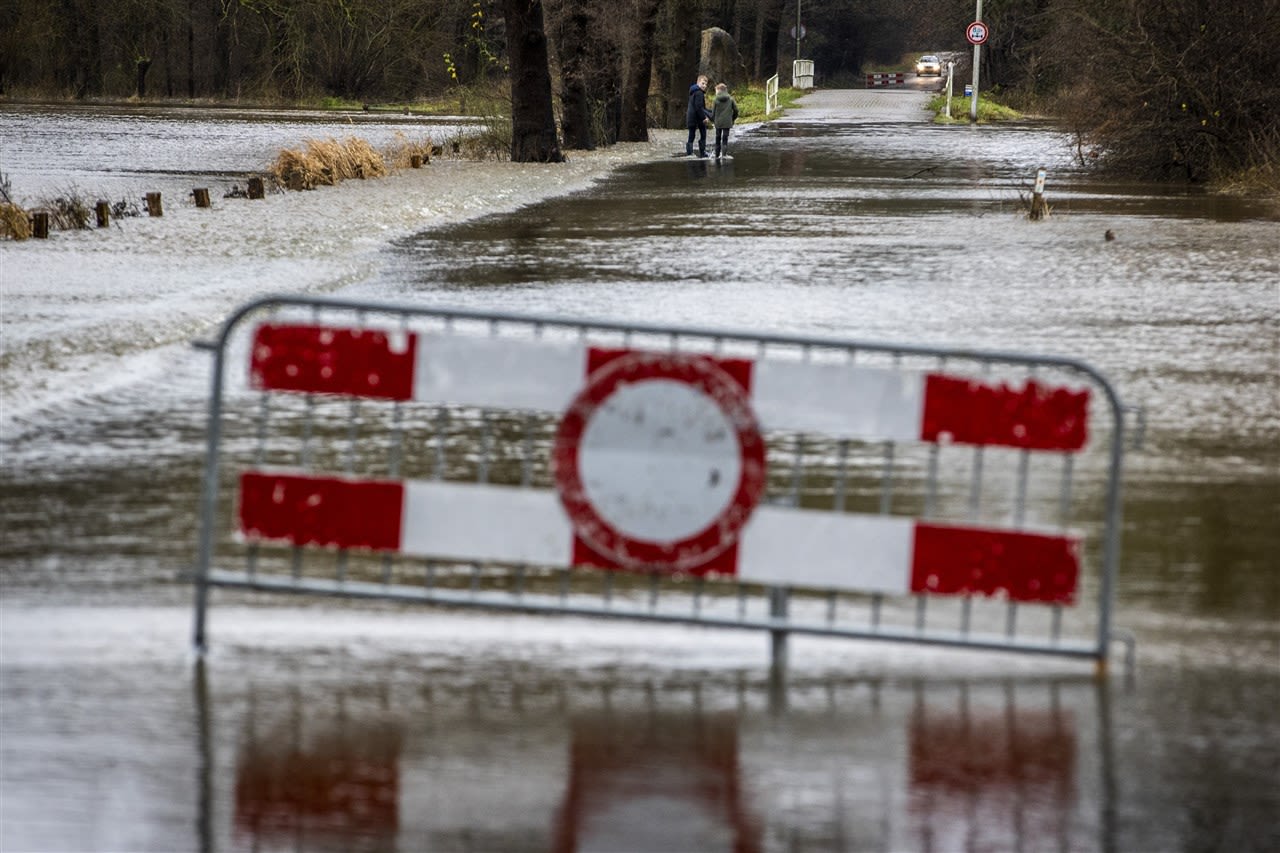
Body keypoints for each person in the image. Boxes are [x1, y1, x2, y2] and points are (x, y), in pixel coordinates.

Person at [710, 82, 739, 159]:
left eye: (716, 90)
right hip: (727, 123)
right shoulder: (731, 99)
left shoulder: (715, 100)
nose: (715, 92)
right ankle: (724, 155)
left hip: (718, 123)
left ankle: (716, 156)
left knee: (717, 138)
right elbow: (736, 110)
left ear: (719, 90)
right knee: (725, 138)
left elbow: (713, 113)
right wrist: (732, 119)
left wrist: (712, 121)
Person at [685, 75, 712, 157]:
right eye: (702, 83)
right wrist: (704, 118)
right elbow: (699, 108)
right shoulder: (699, 93)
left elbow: (701, 108)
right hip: (697, 117)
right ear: (698, 82)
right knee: (703, 133)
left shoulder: (693, 91)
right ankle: (702, 152)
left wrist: (709, 112)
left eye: (705, 84)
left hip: (691, 116)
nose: (704, 86)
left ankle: (689, 153)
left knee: (691, 135)